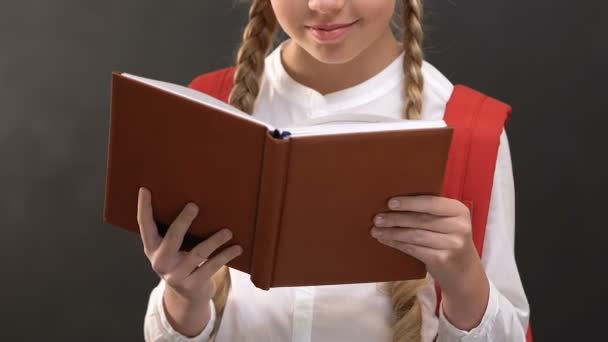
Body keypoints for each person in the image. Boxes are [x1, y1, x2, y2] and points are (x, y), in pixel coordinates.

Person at [140, 0, 530, 341]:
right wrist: (183, 294)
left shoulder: (469, 132)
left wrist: (464, 282)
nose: (324, 4)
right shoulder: (206, 108)